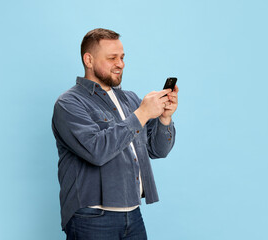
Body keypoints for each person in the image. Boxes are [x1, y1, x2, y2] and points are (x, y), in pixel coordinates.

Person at [52, 28, 179, 239]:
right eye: (112, 58)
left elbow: (158, 150)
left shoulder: (130, 100)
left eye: (121, 57)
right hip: (91, 217)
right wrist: (142, 114)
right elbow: (96, 151)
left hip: (133, 214)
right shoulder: (69, 103)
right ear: (89, 60)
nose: (120, 64)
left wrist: (165, 118)